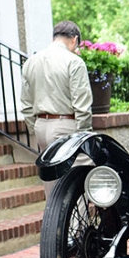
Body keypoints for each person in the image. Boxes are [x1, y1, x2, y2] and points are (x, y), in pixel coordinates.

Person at [20, 21, 93, 194]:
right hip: (66, 124)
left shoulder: (31, 62)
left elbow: (26, 103)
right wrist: (84, 134)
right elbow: (82, 104)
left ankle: (52, 221)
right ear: (74, 40)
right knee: (78, 178)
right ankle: (75, 223)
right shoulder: (74, 62)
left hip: (41, 127)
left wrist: (35, 127)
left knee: (51, 183)